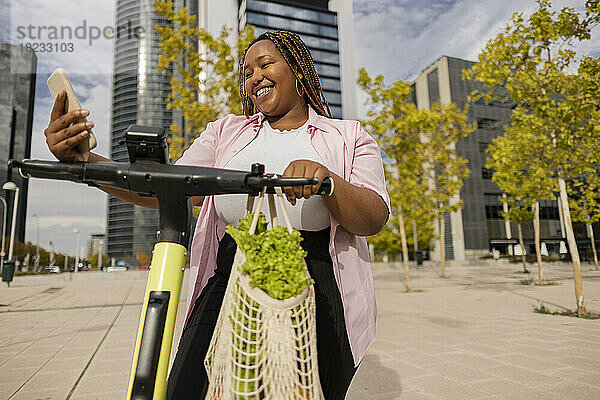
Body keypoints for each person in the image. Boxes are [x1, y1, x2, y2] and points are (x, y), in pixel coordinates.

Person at [44, 30, 389, 399]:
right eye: (247, 71)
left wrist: (328, 179)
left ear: (299, 72)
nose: (254, 76)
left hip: (316, 280)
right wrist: (85, 162)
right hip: (228, 274)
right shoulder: (226, 132)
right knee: (188, 388)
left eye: (265, 63)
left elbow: (372, 217)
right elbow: (164, 187)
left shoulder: (348, 137)